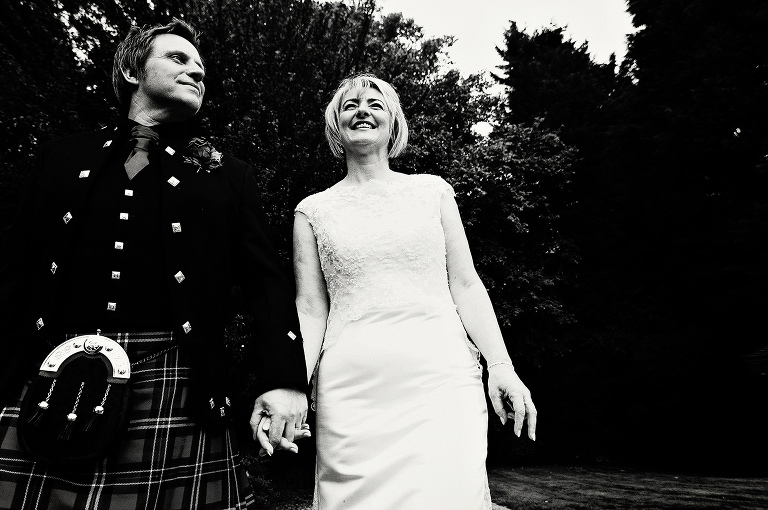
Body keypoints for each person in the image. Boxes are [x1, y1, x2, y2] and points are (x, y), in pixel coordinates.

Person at [0, 19, 308, 509]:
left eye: (201, 68)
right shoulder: (64, 156)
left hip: (175, 379)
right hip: (51, 379)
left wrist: (284, 380)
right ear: (130, 69)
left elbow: (265, 284)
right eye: (178, 59)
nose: (196, 72)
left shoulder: (228, 174)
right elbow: (15, 272)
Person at [293, 73, 538, 509]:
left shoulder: (432, 192)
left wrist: (501, 364)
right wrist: (294, 384)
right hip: (352, 392)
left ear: (393, 123)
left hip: (440, 380)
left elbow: (466, 284)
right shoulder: (312, 211)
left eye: (375, 103)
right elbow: (311, 308)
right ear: (336, 125)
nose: (362, 110)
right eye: (350, 105)